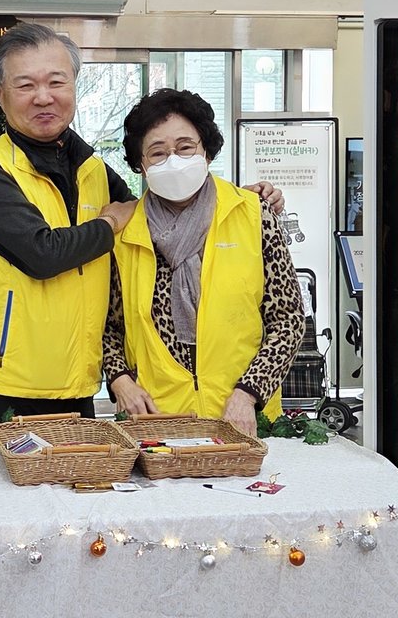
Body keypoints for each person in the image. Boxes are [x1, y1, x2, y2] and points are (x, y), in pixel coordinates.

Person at [0, 25, 283, 443]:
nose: (43, 96)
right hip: (0, 386)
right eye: (25, 84)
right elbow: (42, 254)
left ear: (73, 86)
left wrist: (243, 201)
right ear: (1, 95)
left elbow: (164, 212)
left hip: (76, 385)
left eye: (56, 81)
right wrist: (107, 225)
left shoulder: (94, 172)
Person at [103, 90, 305, 437]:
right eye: (158, 152)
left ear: (206, 151)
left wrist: (248, 394)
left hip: (244, 418)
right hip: (157, 421)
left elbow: (288, 319)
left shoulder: (252, 215)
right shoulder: (125, 233)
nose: (174, 160)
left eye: (185, 147)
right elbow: (109, 328)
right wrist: (120, 381)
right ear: (140, 164)